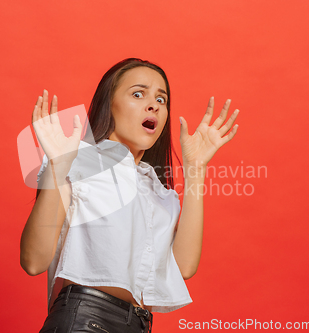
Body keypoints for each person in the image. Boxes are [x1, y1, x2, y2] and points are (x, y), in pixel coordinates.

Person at [20, 58, 240, 333]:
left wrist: (195, 170)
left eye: (162, 99)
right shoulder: (77, 162)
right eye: (138, 94)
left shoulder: (161, 194)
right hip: (83, 322)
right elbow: (33, 260)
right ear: (108, 104)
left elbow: (183, 267)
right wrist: (57, 166)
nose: (154, 105)